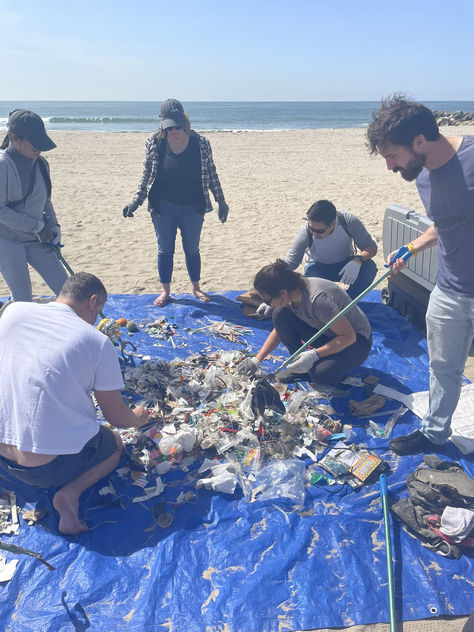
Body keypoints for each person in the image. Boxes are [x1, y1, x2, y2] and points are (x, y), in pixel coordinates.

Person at [0, 272, 149, 535]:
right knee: (114, 443)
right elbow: (116, 417)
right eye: (98, 311)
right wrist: (138, 417)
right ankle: (69, 494)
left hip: (3, 459)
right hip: (43, 469)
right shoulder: (97, 342)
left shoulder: (14, 311)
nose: (95, 320)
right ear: (92, 302)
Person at [367, 93, 474, 455]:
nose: (390, 167)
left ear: (418, 141)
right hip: (449, 290)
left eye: (392, 156)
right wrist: (411, 247)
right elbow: (445, 223)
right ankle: (434, 433)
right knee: (443, 368)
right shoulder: (422, 175)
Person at [122, 98, 229, 306]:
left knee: (192, 249)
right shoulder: (154, 143)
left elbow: (212, 173)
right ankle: (165, 291)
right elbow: (146, 175)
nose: (175, 131)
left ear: (185, 122)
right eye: (170, 128)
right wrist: (136, 201)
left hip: (193, 206)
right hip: (163, 207)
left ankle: (196, 287)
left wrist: (221, 201)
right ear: (163, 125)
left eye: (178, 126)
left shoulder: (201, 143)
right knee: (165, 250)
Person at [238, 259, 372, 384]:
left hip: (356, 342)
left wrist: (314, 355)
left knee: (321, 374)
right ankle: (299, 367)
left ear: (282, 293)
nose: (267, 304)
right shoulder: (292, 293)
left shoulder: (318, 300)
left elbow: (349, 337)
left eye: (267, 300)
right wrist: (257, 359)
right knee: (279, 314)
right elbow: (280, 330)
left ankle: (321, 367)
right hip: (327, 332)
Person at [0, 109, 67, 301]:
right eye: (34, 144)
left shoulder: (41, 164)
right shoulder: (3, 165)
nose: (39, 149)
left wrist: (54, 228)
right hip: (7, 240)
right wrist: (38, 227)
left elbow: (45, 201)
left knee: (66, 291)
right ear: (14, 138)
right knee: (22, 299)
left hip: (38, 239)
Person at [285, 199, 378, 299]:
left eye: (320, 231)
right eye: (312, 229)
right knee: (310, 275)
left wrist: (358, 260)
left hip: (346, 265)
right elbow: (292, 260)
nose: (315, 235)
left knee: (369, 267)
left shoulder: (348, 221)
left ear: (333, 224)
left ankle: (349, 301)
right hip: (318, 268)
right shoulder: (306, 231)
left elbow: (371, 247)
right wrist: (272, 278)